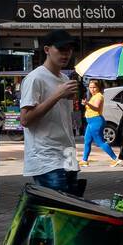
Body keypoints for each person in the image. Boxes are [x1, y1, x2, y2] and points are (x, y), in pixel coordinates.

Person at [19, 30, 82, 194]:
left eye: (69, 49)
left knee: (70, 213)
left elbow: (62, 119)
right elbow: (25, 120)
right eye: (61, 49)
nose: (66, 54)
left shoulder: (65, 79)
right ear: (47, 49)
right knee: (55, 213)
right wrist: (57, 95)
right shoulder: (35, 78)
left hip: (68, 155)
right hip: (46, 158)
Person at [79, 79, 119, 167]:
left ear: (98, 87)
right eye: (90, 87)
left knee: (100, 141)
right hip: (90, 122)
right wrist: (85, 103)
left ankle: (115, 159)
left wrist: (87, 104)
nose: (92, 89)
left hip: (96, 121)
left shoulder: (99, 96)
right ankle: (84, 160)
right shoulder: (93, 96)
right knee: (87, 141)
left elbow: (96, 108)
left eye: (94, 87)